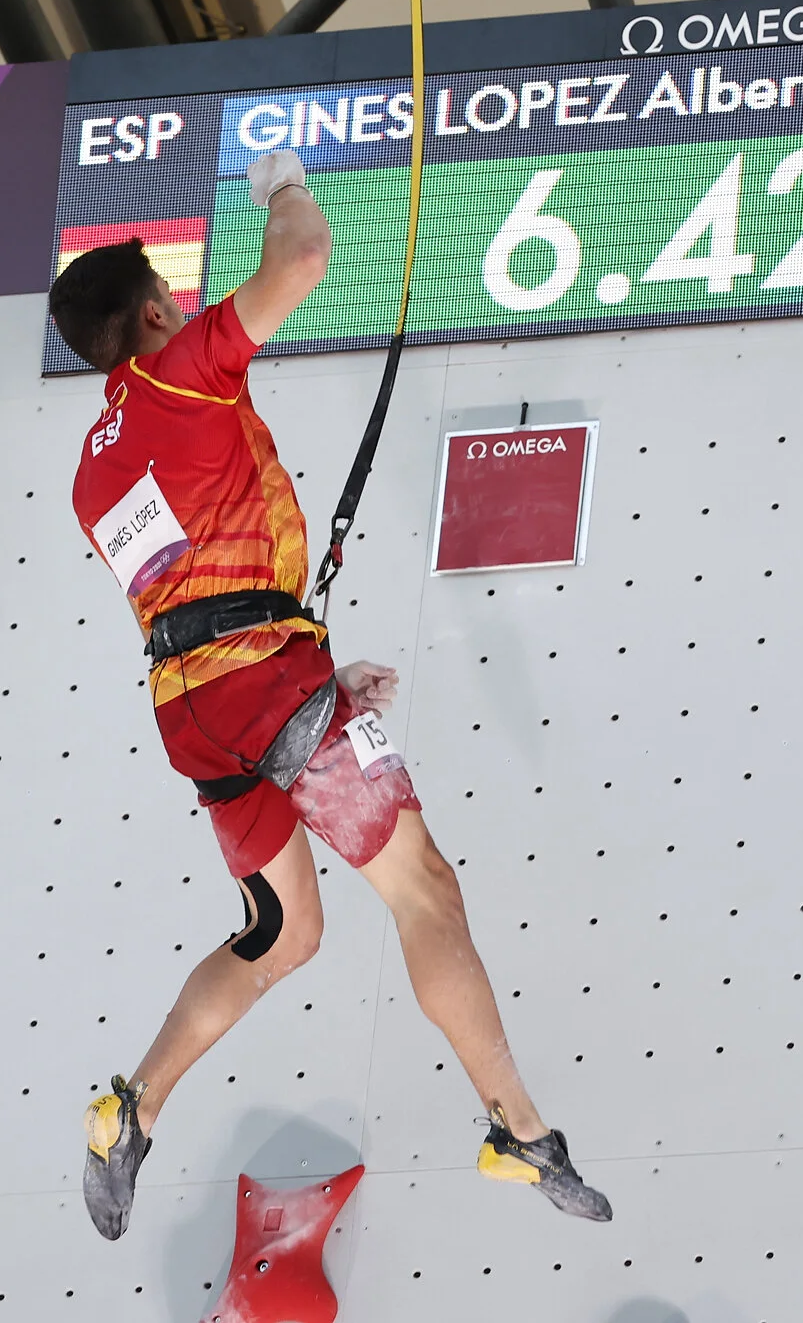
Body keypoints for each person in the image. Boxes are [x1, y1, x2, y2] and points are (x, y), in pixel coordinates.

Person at [52, 148, 611, 1241]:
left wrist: (312, 674)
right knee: (423, 894)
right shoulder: (180, 371)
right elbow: (302, 257)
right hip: (265, 690)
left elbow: (188, 585)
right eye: (173, 297)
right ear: (158, 310)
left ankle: (132, 1107)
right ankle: (517, 1127)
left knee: (281, 929)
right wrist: (278, 188)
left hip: (197, 708)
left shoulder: (93, 465)